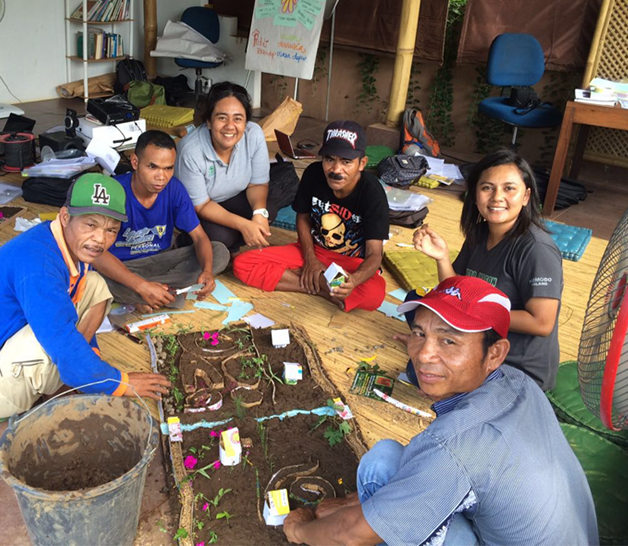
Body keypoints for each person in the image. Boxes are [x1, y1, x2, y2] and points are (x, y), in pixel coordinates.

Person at [283, 276, 598, 546]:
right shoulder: (519, 383)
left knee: (378, 471)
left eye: (449, 340)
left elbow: (349, 534)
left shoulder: (455, 445)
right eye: (420, 333)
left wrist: (299, 529)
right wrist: (358, 504)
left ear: (495, 353)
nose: (424, 355)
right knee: (387, 461)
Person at [0, 173, 170, 419]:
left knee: (95, 286)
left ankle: (82, 370)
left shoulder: (57, 240)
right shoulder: (38, 264)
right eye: (90, 225)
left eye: (111, 230)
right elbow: (61, 338)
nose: (100, 239)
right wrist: (121, 383)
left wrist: (88, 364)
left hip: (3, 352)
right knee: (47, 342)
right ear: (65, 217)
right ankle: (77, 375)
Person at [412, 150, 563, 390]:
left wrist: (476, 313)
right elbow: (457, 292)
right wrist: (441, 257)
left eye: (509, 188)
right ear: (474, 195)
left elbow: (541, 323)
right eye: (487, 188)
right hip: (480, 343)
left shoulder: (537, 249)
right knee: (418, 303)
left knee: (420, 373)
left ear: (526, 196)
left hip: (516, 365)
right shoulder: (480, 233)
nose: (497, 197)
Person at [233, 121, 388, 312]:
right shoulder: (313, 173)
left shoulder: (372, 192)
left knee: (374, 296)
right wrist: (311, 261)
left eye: (346, 162)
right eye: (329, 159)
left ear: (362, 163)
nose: (336, 169)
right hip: (312, 251)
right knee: (243, 264)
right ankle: (323, 289)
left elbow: (375, 255)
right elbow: (303, 218)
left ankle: (312, 281)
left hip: (350, 263)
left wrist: (353, 281)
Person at [92, 130, 230, 313]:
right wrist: (141, 285)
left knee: (219, 252)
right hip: (122, 266)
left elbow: (199, 237)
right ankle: (160, 293)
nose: (161, 177)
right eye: (152, 167)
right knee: (94, 276)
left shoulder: (174, 189)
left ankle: (150, 294)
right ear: (135, 162)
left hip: (161, 260)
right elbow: (97, 253)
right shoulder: (114, 193)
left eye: (168, 168)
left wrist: (207, 271)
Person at [175, 81, 287, 252]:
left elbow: (257, 184)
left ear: (246, 122)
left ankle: (229, 248)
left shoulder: (253, 134)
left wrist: (258, 215)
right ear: (209, 122)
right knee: (222, 237)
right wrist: (243, 225)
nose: (230, 126)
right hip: (198, 208)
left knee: (267, 210)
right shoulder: (191, 150)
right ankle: (186, 242)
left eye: (238, 119)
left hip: (231, 198)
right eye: (221, 118)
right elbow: (202, 205)